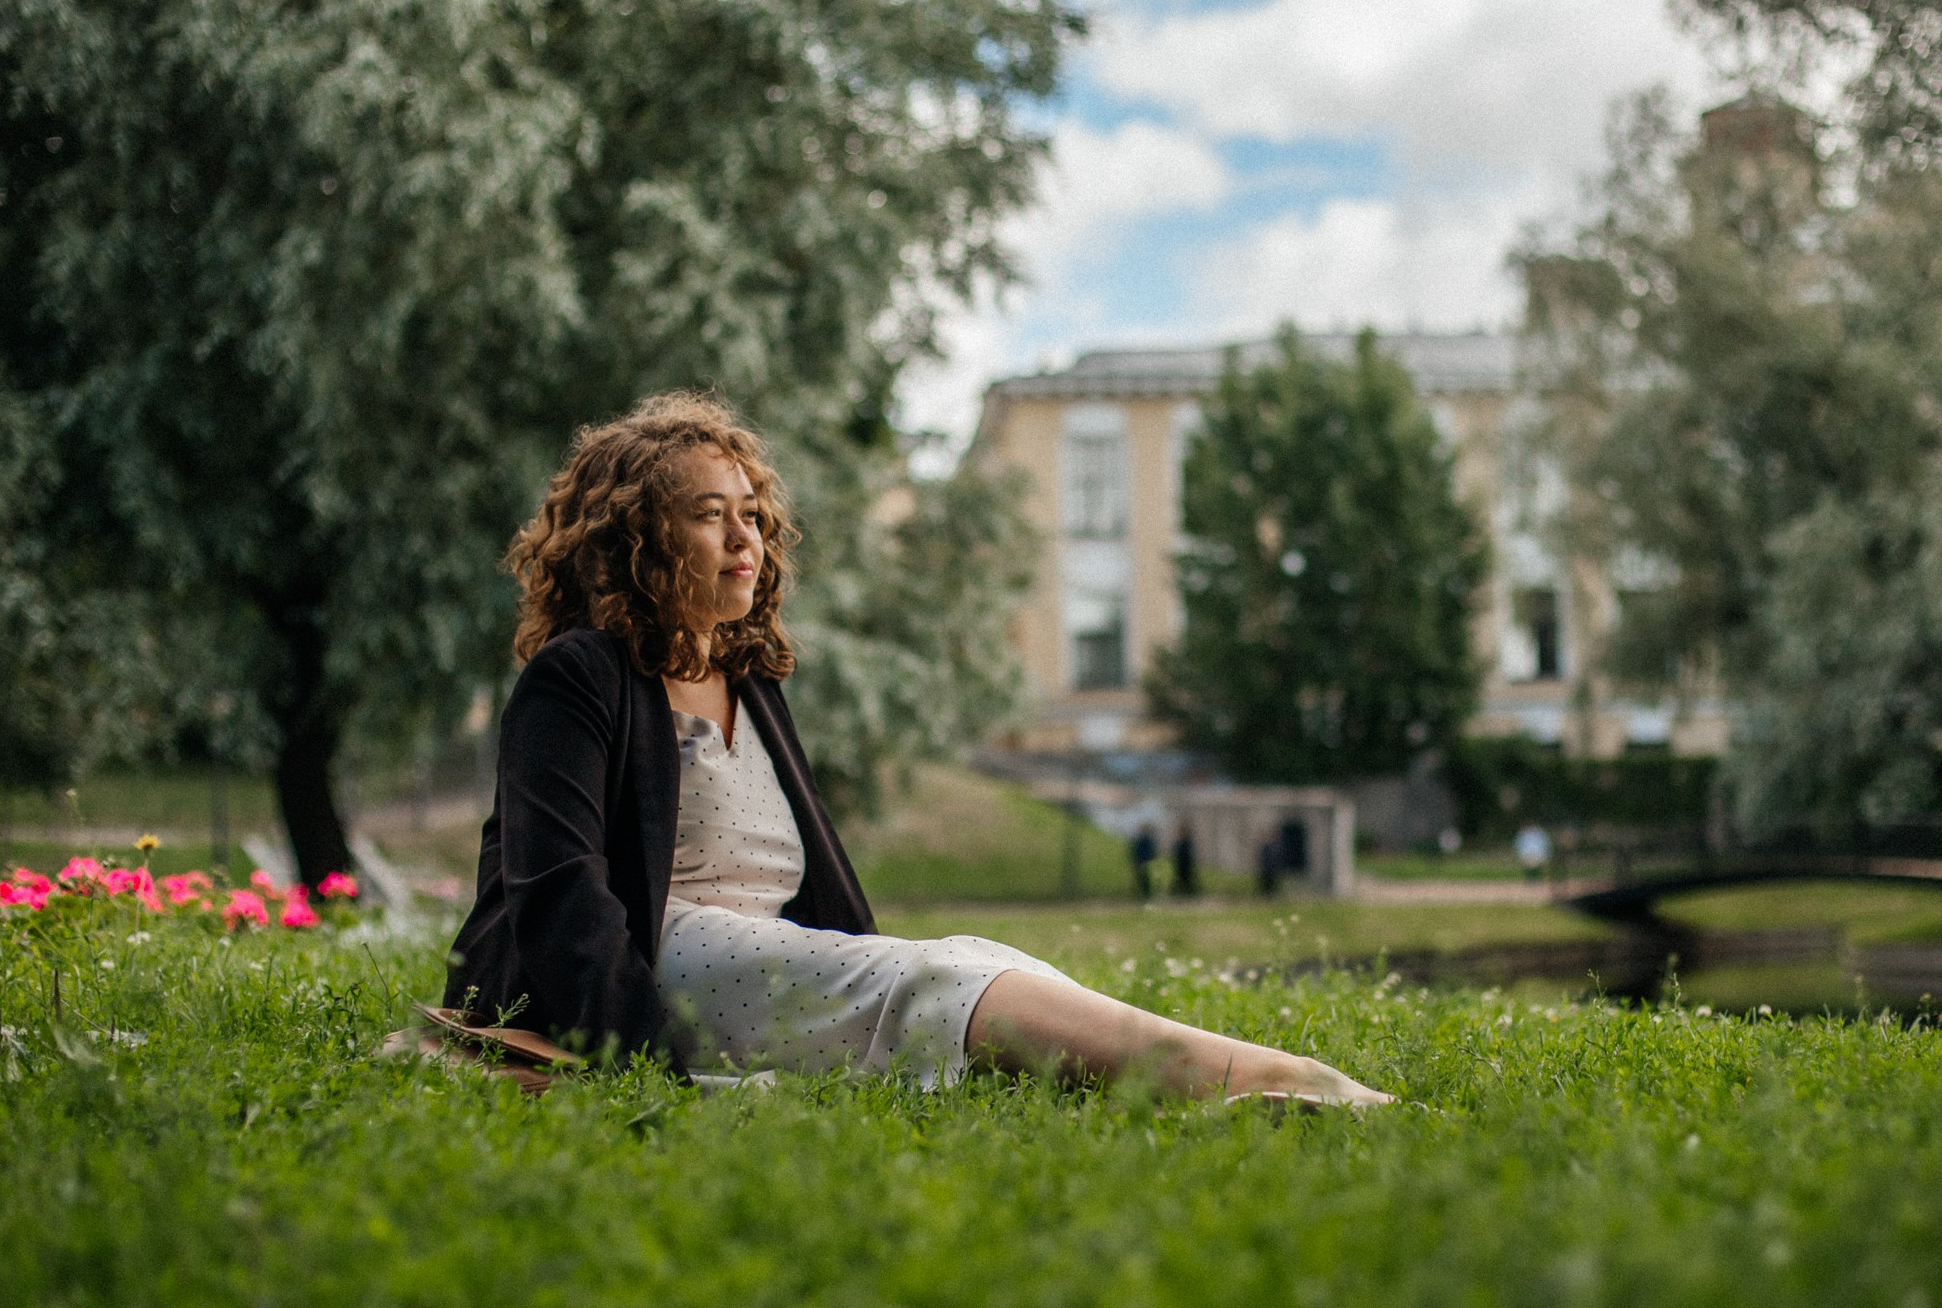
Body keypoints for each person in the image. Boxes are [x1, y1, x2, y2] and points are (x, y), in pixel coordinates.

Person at [445, 393, 1387, 1105]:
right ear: (637, 534)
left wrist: (864, 957)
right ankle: (1279, 1084)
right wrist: (658, 1071)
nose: (747, 540)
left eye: (755, 516)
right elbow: (562, 900)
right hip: (652, 972)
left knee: (969, 954)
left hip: (766, 960)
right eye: (709, 515)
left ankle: (1268, 1083)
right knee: (929, 977)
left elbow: (820, 889)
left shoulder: (751, 679)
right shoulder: (578, 677)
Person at [1128, 824, 1158, 901]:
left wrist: (1146, 861)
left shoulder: (1146, 840)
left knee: (1145, 878)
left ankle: (1147, 894)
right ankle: (1143, 893)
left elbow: (1149, 852)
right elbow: (1136, 851)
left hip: (1144, 861)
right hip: (1140, 861)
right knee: (1141, 878)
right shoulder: (1141, 840)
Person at [1170, 821, 1198, 899]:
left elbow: (1188, 853)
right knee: (1180, 879)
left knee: (1187, 880)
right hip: (1179, 864)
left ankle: (1189, 894)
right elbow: (1175, 852)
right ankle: (1181, 894)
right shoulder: (1179, 842)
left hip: (1186, 863)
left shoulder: (1187, 841)